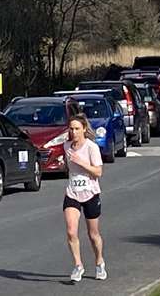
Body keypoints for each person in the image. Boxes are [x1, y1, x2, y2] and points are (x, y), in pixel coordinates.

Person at [63, 114, 107, 283]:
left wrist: (81, 162)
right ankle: (78, 265)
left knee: (93, 234)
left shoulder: (91, 148)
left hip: (90, 193)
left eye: (76, 129)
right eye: (71, 129)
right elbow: (69, 167)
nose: (73, 132)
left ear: (83, 129)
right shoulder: (66, 146)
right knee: (71, 231)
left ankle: (99, 262)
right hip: (72, 192)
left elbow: (98, 172)